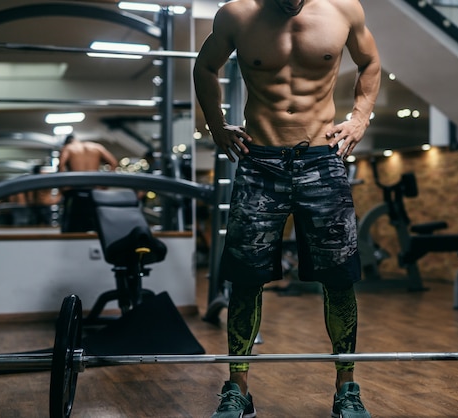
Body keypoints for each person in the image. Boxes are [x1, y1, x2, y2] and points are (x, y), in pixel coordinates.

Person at [193, 0, 381, 416]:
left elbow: (370, 62)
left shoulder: (343, 10)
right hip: (259, 162)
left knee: (339, 279)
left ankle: (346, 389)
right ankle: (238, 390)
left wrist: (360, 118)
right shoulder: (236, 15)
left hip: (321, 160)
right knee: (244, 279)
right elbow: (205, 67)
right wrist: (215, 123)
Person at [58, 134, 118, 232]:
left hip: (75, 191)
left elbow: (61, 166)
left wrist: (64, 188)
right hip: (95, 191)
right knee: (95, 225)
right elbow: (113, 163)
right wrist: (104, 185)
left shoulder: (68, 148)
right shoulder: (97, 147)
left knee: (72, 228)